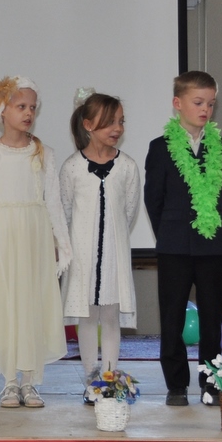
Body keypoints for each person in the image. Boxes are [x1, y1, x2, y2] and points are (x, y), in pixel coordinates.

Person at [0, 75, 72, 409]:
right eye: (21, 106)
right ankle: (9, 382)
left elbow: (53, 202)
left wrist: (59, 241)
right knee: (7, 304)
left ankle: (30, 381)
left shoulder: (44, 154)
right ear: (3, 110)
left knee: (32, 303)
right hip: (3, 236)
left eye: (32, 107)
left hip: (35, 235)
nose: (28, 113)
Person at [143, 70, 222, 407]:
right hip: (174, 247)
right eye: (198, 102)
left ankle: (211, 382)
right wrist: (170, 233)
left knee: (211, 318)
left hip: (213, 248)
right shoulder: (160, 148)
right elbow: (154, 200)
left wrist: (212, 226)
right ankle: (176, 385)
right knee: (172, 318)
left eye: (210, 103)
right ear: (177, 103)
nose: (205, 109)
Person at [59, 88, 140, 404]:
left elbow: (129, 211)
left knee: (110, 316)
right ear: (88, 125)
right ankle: (90, 379)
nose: (117, 128)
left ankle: (108, 379)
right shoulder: (72, 167)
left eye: (121, 121)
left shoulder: (127, 167)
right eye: (110, 122)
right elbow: (65, 211)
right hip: (82, 255)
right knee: (87, 317)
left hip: (113, 256)